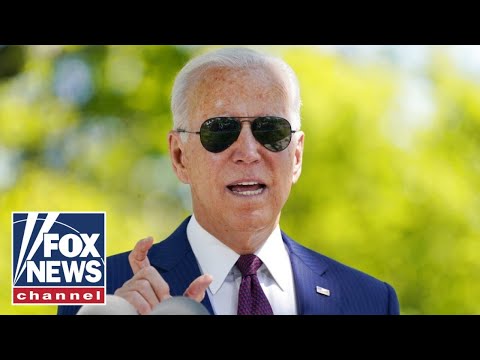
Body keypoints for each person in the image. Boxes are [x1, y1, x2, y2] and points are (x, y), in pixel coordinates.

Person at [58, 46, 400, 315]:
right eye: (220, 130)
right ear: (179, 157)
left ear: (295, 156)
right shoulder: (98, 293)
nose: (248, 152)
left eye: (270, 130)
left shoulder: (371, 301)